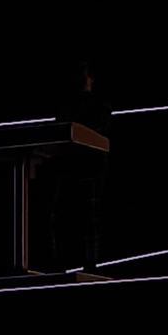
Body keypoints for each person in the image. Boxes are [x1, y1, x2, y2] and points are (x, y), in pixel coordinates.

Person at [52, 60, 111, 271]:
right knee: (70, 218)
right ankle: (75, 263)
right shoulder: (73, 105)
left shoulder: (94, 106)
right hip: (77, 168)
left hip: (84, 168)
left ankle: (85, 264)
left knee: (85, 219)